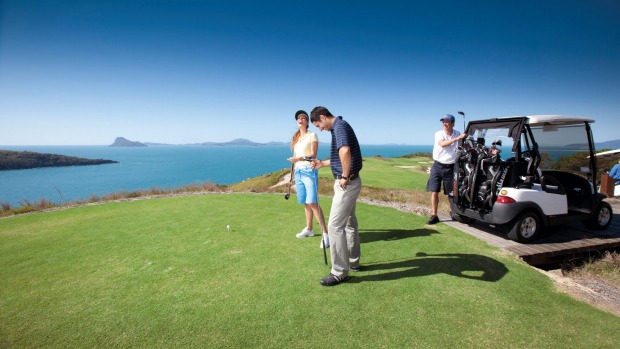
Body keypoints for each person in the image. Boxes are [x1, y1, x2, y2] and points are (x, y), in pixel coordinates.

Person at [310, 106, 363, 286]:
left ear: (323, 117)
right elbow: (338, 157)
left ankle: (340, 271)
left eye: (318, 125)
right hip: (351, 181)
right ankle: (353, 262)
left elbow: (345, 151)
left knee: (334, 226)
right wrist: (322, 163)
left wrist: (345, 176)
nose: (320, 128)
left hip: (346, 183)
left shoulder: (339, 127)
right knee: (349, 222)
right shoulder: (340, 126)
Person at [287, 110, 329, 248]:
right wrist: (292, 176)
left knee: (313, 203)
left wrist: (298, 158)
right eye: (298, 118)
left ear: (307, 122)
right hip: (298, 172)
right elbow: (294, 159)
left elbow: (313, 155)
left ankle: (325, 234)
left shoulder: (313, 135)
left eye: (303, 118)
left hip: (308, 171)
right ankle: (309, 229)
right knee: (305, 202)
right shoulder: (296, 138)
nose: (300, 119)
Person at [426, 114, 467, 225]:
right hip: (437, 166)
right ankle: (434, 215)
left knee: (451, 193)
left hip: (451, 167)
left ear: (452, 123)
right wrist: (458, 138)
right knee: (434, 191)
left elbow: (462, 146)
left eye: (447, 121)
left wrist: (463, 139)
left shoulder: (457, 133)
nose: (444, 123)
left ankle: (453, 212)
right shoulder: (439, 134)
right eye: (443, 121)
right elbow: (443, 144)